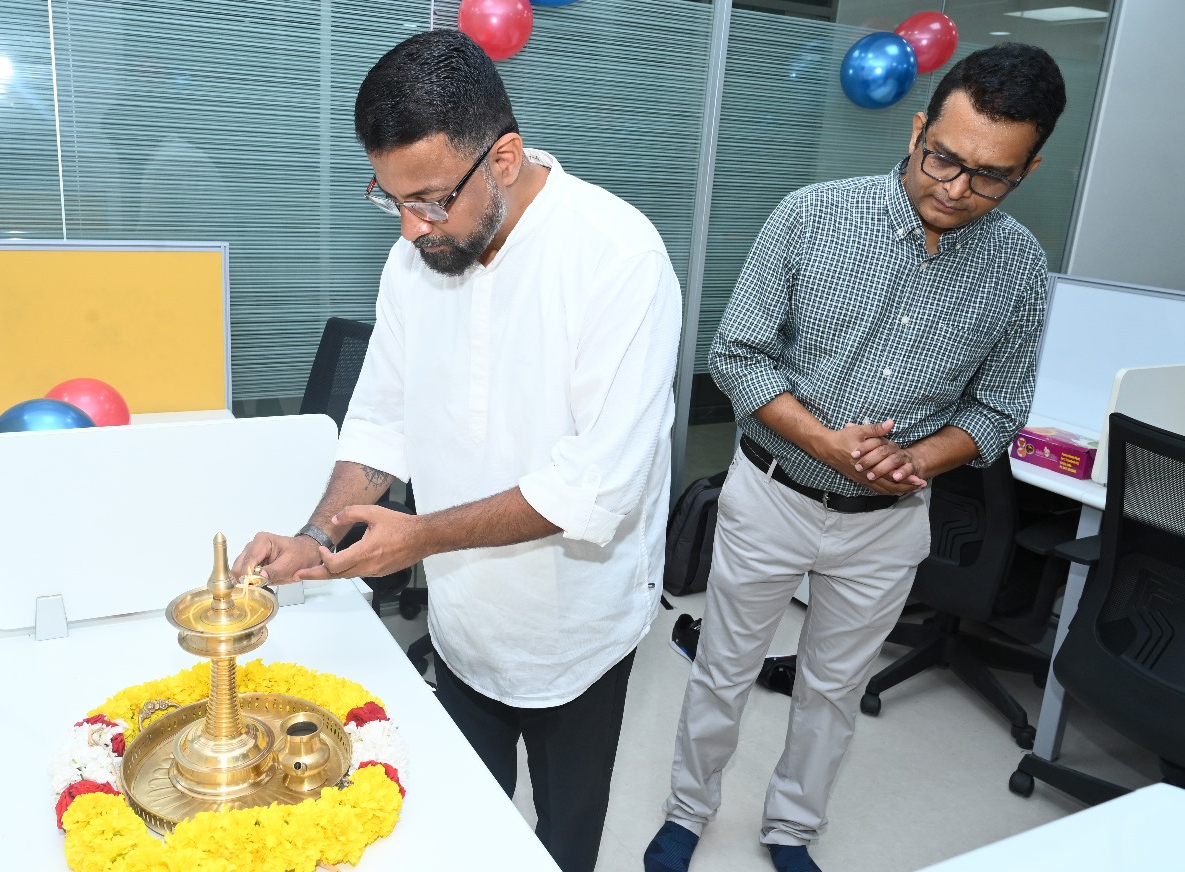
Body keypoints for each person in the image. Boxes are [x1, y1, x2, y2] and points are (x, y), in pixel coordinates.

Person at [234, 29, 682, 872]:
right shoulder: (418, 261)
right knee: (464, 829)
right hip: (463, 622)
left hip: (574, 632)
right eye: (391, 198)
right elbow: (379, 423)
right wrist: (317, 538)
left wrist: (421, 537)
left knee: (561, 842)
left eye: (432, 200)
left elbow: (596, 490)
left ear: (503, 157)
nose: (410, 228)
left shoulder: (618, 259)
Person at [644, 43, 1066, 872]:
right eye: (943, 158)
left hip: (890, 522)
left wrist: (920, 460)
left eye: (990, 176)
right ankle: (687, 813)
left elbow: (999, 410)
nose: (955, 187)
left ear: (1028, 169)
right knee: (723, 670)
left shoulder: (1020, 269)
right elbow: (738, 356)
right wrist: (827, 442)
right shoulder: (813, 215)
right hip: (772, 495)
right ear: (917, 129)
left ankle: (792, 829)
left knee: (833, 692)